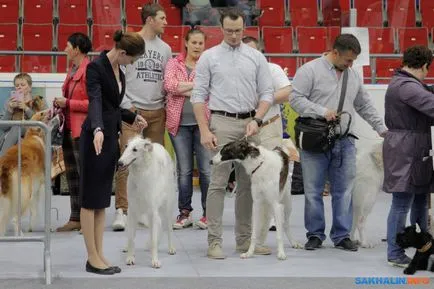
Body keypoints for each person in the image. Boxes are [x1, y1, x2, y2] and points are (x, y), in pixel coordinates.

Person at [290, 34, 387, 252]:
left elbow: (364, 105)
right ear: (335, 53)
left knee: (344, 191)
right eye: (348, 60)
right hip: (315, 139)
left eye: (353, 60)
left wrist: (381, 128)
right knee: (313, 190)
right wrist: (322, 111)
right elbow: (295, 99)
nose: (350, 64)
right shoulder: (309, 71)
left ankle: (342, 235)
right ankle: (315, 234)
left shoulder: (352, 76)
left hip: (344, 141)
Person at [191, 7, 274, 259]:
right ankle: (214, 241)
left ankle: (244, 241)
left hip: (250, 122)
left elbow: (267, 93)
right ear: (221, 29)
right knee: (217, 183)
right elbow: (197, 96)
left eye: (238, 31)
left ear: (244, 28)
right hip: (221, 122)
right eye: (229, 31)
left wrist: (258, 119)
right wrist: (204, 129)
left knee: (248, 185)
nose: (234, 35)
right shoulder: (209, 57)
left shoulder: (256, 57)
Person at [80, 30, 147, 275]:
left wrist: (133, 116)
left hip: (110, 138)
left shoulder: (120, 69)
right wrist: (97, 127)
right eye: (133, 59)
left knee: (101, 201)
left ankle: (99, 254)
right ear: (121, 52)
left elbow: (113, 106)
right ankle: (91, 257)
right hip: (95, 139)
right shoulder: (95, 68)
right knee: (90, 200)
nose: (133, 63)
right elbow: (95, 101)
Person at [112, 3, 172, 231]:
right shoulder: (130, 41)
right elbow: (119, 76)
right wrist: (128, 108)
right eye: (162, 18)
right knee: (126, 161)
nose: (166, 22)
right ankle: (122, 211)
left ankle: (149, 210)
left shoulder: (165, 49)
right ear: (150, 20)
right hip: (132, 111)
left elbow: (166, 81)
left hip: (157, 111)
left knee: (153, 165)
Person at [383, 45, 434, 268]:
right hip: (406, 149)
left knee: (421, 199)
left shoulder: (405, 84)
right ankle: (395, 252)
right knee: (402, 201)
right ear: (424, 66)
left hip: (414, 146)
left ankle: (425, 247)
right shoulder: (407, 87)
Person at [241, 36, 292, 234]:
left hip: (269, 126)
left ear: (261, 53)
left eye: (253, 51)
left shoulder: (273, 69)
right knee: (249, 174)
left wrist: (263, 101)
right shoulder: (237, 73)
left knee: (272, 173)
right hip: (245, 127)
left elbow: (287, 92)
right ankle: (250, 216)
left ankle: (272, 217)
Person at [164, 29, 210, 230]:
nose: (198, 46)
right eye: (194, 42)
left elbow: (210, 88)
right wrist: (195, 88)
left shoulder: (208, 63)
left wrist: (186, 88)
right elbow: (169, 86)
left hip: (204, 125)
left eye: (201, 43)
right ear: (186, 43)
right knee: (183, 171)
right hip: (179, 125)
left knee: (206, 171)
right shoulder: (174, 63)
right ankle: (185, 213)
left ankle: (209, 214)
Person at [54, 33, 92, 232]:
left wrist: (67, 103)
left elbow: (93, 103)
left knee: (84, 175)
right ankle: (75, 217)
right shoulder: (73, 69)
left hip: (82, 130)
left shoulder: (89, 70)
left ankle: (87, 219)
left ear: (77, 49)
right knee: (72, 176)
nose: (65, 49)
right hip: (68, 128)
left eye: (68, 46)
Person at [0, 73, 47, 156]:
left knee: (17, 126)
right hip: (13, 137)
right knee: (19, 141)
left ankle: (1, 159)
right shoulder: (9, 102)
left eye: (22, 85)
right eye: (17, 85)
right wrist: (10, 110)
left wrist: (26, 108)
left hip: (33, 132)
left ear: (29, 87)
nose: (19, 87)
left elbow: (43, 121)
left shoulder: (39, 100)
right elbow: (3, 127)